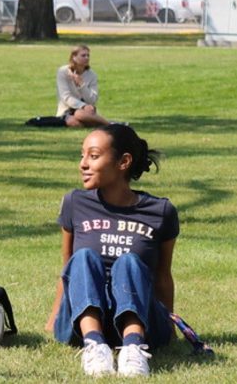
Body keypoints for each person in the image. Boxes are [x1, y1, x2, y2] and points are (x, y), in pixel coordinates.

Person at [46, 124, 177, 377]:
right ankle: (94, 344)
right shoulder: (75, 203)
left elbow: (163, 276)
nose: (83, 164)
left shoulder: (160, 212)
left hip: (142, 319)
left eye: (93, 156)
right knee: (83, 257)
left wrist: (169, 323)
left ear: (123, 162)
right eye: (82, 155)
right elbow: (68, 269)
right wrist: (53, 318)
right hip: (80, 323)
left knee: (129, 262)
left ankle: (133, 348)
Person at [57, 45, 110, 127]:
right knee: (74, 122)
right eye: (83, 55)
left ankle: (109, 125)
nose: (87, 58)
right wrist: (83, 106)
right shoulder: (63, 72)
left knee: (79, 114)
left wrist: (81, 84)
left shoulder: (92, 75)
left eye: (88, 55)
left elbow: (92, 100)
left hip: (87, 110)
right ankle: (102, 123)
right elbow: (66, 97)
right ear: (74, 57)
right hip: (67, 109)